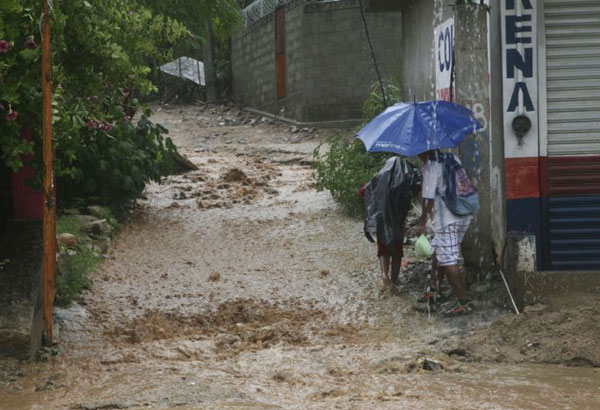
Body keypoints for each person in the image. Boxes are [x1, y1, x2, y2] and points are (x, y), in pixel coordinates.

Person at [417, 150, 474, 317]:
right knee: (437, 249)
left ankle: (464, 303)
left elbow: (427, 199)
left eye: (419, 153)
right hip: (464, 213)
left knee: (448, 260)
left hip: (447, 218)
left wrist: (422, 223)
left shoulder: (430, 166)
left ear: (425, 150)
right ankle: (435, 290)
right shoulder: (452, 157)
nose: (419, 156)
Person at [360, 157, 421, 287]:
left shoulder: (379, 178)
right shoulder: (405, 181)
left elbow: (363, 192)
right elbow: (416, 190)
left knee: (383, 249)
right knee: (397, 252)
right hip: (398, 221)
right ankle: (394, 281)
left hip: (382, 221)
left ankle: (384, 275)